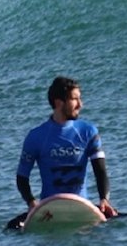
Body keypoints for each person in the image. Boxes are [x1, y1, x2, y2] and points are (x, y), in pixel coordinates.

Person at [10, 76, 118, 228]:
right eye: (75, 99)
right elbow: (22, 177)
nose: (81, 104)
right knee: (11, 228)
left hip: (82, 207)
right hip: (49, 209)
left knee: (123, 219)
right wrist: (32, 203)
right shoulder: (36, 136)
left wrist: (104, 200)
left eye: (80, 99)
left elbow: (100, 171)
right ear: (58, 102)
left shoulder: (88, 132)